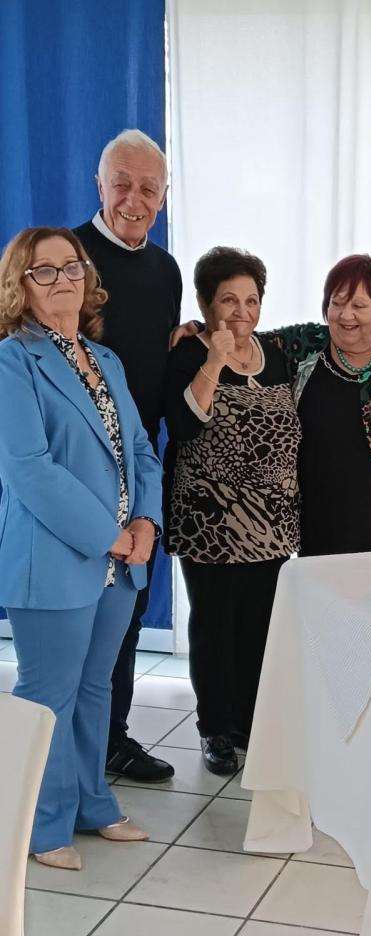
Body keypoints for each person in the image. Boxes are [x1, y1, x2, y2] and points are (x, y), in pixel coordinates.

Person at [0, 227, 163, 870]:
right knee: (49, 696)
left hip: (121, 562)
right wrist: (109, 535)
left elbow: (141, 449)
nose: (62, 279)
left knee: (96, 689)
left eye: (71, 266)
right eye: (44, 270)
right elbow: (29, 470)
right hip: (55, 559)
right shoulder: (13, 361)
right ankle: (41, 825)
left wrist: (146, 521)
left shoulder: (106, 359)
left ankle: (92, 803)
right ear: (20, 285)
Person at [178, 254, 371, 556]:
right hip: (318, 525)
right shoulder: (306, 344)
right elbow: (245, 336)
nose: (345, 315)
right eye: (337, 303)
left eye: (359, 306)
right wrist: (201, 327)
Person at [163, 248, 301, 775]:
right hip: (210, 522)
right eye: (228, 300)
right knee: (215, 627)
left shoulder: (278, 353)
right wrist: (213, 361)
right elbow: (183, 426)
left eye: (251, 300)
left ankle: (249, 721)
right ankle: (215, 728)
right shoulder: (188, 353)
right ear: (205, 304)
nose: (242, 311)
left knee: (259, 626)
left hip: (273, 524)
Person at [74, 129, 182, 782]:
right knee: (74, 617)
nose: (134, 201)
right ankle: (63, 754)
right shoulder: (65, 259)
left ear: (163, 197)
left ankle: (112, 738)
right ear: (99, 185)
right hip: (74, 469)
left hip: (139, 468)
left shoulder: (165, 270)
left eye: (148, 188)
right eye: (122, 184)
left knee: (127, 613)